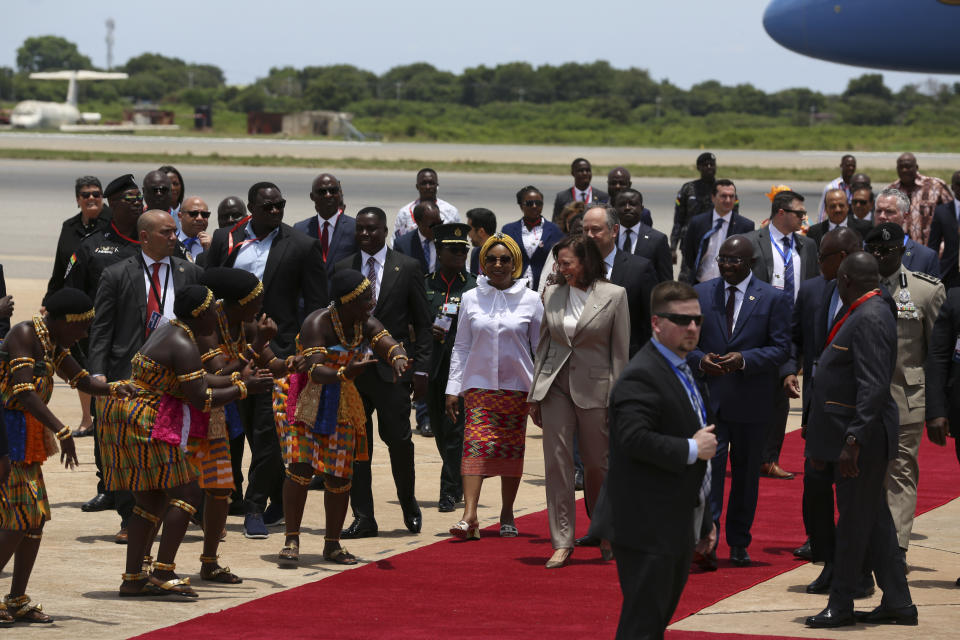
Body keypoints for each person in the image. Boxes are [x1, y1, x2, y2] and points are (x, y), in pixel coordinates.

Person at [99, 285, 272, 598]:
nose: (216, 316)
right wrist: (245, 389)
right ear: (198, 315)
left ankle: (133, 578)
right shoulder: (183, 341)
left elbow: (201, 379)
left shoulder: (176, 333)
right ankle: (163, 572)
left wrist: (239, 379)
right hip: (145, 419)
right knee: (187, 491)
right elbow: (202, 398)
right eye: (211, 311)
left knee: (152, 500)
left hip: (135, 415)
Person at [588, 280, 718, 639]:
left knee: (654, 622)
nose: (692, 327)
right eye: (681, 320)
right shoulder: (642, 375)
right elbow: (633, 439)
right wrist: (691, 449)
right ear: (657, 323)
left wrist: (703, 518)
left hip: (675, 520)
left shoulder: (681, 365)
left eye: (697, 320)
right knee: (642, 624)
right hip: (646, 525)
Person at [203, 181, 328, 539]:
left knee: (268, 432)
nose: (275, 212)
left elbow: (317, 304)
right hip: (228, 351)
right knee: (230, 428)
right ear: (251, 208)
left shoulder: (302, 246)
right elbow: (209, 292)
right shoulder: (226, 239)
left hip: (277, 351)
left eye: (280, 205)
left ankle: (256, 508)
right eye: (268, 206)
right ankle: (231, 497)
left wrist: (303, 352)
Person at [0, 288, 130, 623]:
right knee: (17, 519)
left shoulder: (54, 343)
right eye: (82, 325)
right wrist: (62, 429)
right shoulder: (24, 335)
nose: (85, 333)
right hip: (5, 435)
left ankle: (17, 599)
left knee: (36, 518)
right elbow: (24, 391)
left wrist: (117, 387)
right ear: (62, 321)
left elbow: (81, 379)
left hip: (24, 438)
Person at [804, 252, 916, 628]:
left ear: (848, 279)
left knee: (852, 523)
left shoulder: (868, 318)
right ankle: (900, 603)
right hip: (855, 434)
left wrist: (853, 440)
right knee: (877, 520)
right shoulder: (866, 310)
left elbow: (873, 386)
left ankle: (842, 603)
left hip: (860, 440)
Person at [275, 269, 410, 564]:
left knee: (339, 473)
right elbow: (313, 370)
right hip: (304, 398)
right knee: (301, 468)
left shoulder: (365, 323)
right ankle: (291, 539)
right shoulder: (317, 323)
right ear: (347, 301)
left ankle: (332, 545)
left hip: (340, 401)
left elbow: (387, 341)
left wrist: (398, 357)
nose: (371, 304)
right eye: (365, 300)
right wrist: (343, 372)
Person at [87, 209, 205, 543]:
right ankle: (130, 518)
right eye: (166, 232)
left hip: (175, 379)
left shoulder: (190, 272)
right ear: (144, 237)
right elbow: (102, 330)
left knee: (171, 449)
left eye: (173, 232)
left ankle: (173, 514)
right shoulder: (116, 275)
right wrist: (98, 375)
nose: (173, 237)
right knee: (131, 452)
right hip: (130, 379)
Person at [785, 228, 877, 597]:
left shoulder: (874, 298)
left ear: (841, 260)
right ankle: (829, 561)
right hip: (817, 416)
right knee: (815, 495)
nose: (817, 262)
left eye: (822, 256)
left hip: (855, 417)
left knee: (854, 502)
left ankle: (858, 572)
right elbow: (795, 339)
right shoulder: (811, 291)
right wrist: (789, 369)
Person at [690, 235, 791, 567]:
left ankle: (739, 542)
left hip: (753, 403)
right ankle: (709, 540)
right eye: (723, 259)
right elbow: (685, 342)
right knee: (710, 475)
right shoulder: (702, 293)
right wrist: (700, 359)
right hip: (712, 403)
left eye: (735, 260)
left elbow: (780, 349)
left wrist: (744, 359)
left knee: (746, 477)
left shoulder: (773, 298)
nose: (728, 266)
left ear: (751, 264)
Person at [528, 235, 629, 568]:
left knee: (597, 464)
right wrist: (535, 393)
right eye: (559, 263)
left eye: (567, 262)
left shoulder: (614, 295)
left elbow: (619, 353)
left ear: (585, 261)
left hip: (596, 390)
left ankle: (605, 530)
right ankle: (562, 540)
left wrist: (620, 399)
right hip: (555, 386)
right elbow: (543, 345)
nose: (561, 268)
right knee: (557, 465)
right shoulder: (553, 293)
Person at [335, 207, 431, 539]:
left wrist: (420, 371)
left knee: (400, 441)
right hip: (354, 375)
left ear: (386, 230)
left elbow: (422, 323)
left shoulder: (407, 267)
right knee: (357, 448)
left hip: (393, 373)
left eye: (372, 229)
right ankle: (364, 517)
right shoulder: (342, 269)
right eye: (360, 229)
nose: (365, 234)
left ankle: (408, 503)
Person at [445, 234, 542, 540]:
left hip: (517, 389)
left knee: (511, 450)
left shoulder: (532, 299)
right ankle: (470, 515)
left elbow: (540, 350)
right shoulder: (472, 297)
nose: (498, 265)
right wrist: (453, 388)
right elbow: (461, 346)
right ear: (482, 263)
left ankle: (507, 512)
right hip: (479, 386)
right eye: (491, 259)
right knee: (475, 446)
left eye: (505, 260)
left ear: (516, 263)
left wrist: (539, 393)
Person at [194, 267, 284, 583]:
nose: (260, 308)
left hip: (223, 408)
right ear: (237, 303)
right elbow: (219, 370)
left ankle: (210, 561)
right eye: (255, 302)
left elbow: (274, 364)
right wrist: (257, 343)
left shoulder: (245, 323)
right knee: (185, 486)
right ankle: (155, 565)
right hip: (194, 409)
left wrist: (300, 362)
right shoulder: (207, 323)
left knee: (222, 484)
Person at [864, 223, 945, 564]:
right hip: (866, 399)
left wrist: (937, 407)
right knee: (869, 474)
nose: (882, 257)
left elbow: (937, 352)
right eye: (876, 251)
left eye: (890, 251)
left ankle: (895, 548)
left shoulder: (925, 291)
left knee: (900, 470)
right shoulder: (856, 285)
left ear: (902, 250)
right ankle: (868, 540)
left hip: (906, 395)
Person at [746, 190, 819, 480]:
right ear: (780, 213)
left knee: (782, 395)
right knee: (760, 395)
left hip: (795, 329)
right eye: (799, 213)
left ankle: (768, 458)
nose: (803, 218)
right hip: (761, 329)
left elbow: (813, 285)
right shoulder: (754, 242)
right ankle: (753, 454)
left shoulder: (808, 245)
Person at [45, 175, 112, 439]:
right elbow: (60, 267)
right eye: (86, 195)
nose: (92, 198)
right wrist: (49, 301)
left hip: (103, 304)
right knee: (79, 361)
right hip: (74, 310)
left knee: (102, 363)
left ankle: (106, 417)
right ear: (77, 199)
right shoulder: (69, 227)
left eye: (96, 194)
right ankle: (88, 419)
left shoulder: (111, 224)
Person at [424, 224, 477, 512]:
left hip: (463, 370)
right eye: (453, 250)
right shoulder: (425, 284)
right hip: (434, 368)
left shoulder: (474, 286)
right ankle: (456, 481)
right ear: (439, 251)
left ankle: (448, 491)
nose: (459, 254)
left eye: (463, 250)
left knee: (456, 431)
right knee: (442, 433)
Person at [582, 205, 658, 355]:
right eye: (585, 230)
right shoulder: (574, 267)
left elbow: (651, 324)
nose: (589, 235)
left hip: (624, 360)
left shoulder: (640, 269)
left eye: (596, 229)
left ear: (614, 231)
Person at [673, 152, 738, 271]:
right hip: (691, 242)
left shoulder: (725, 190)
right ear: (698, 167)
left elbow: (735, 219)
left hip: (718, 242)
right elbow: (678, 220)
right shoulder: (688, 189)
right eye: (705, 165)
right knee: (688, 281)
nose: (709, 167)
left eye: (712, 164)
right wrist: (672, 248)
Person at [682, 179, 754, 285]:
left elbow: (748, 259)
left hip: (731, 286)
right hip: (700, 284)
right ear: (713, 198)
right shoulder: (697, 222)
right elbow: (688, 254)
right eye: (723, 196)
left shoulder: (745, 226)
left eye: (731, 196)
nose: (728, 200)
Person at [502, 186, 564, 290]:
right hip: (514, 286)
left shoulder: (555, 230)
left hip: (544, 286)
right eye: (529, 203)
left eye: (538, 203)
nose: (534, 206)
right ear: (521, 206)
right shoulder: (508, 230)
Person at [885, 152, 952, 245]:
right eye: (901, 167)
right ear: (897, 169)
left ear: (916, 167)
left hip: (931, 250)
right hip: (901, 252)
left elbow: (951, 217)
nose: (904, 170)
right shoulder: (891, 191)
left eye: (908, 166)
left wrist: (944, 246)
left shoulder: (935, 186)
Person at [293, 173, 356, 271]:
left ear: (339, 194)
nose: (328, 195)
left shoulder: (355, 227)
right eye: (322, 191)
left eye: (333, 191)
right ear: (312, 196)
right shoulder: (300, 229)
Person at [874, 188, 940, 278]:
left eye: (889, 211)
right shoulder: (862, 250)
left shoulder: (926, 257)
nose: (882, 216)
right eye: (878, 211)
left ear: (905, 217)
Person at [614, 188, 671, 283]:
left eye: (632, 204)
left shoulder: (658, 239)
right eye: (622, 204)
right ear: (614, 209)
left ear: (642, 208)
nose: (627, 207)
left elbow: (666, 280)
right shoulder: (607, 236)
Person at [394, 168, 460, 239]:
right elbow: (396, 241)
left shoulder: (451, 211)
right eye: (423, 183)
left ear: (437, 186)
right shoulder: (405, 213)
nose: (427, 187)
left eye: (431, 183)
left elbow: (459, 238)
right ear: (417, 186)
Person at [926, 170, 960, 289]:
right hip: (949, 271)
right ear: (952, 187)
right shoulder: (942, 211)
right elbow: (933, 244)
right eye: (959, 183)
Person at [807, 188, 872, 246]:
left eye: (841, 205)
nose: (837, 210)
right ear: (826, 209)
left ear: (847, 207)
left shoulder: (865, 229)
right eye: (833, 206)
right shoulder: (814, 232)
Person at [552, 158, 609, 223]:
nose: (585, 173)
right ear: (573, 173)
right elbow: (555, 222)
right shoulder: (562, 197)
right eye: (581, 171)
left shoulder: (602, 196)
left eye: (588, 170)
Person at [394, 201, 442, 276]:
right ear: (418, 223)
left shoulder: (447, 241)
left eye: (440, 223)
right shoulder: (402, 245)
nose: (437, 228)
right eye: (432, 225)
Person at [817, 155, 857, 222]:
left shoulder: (857, 186)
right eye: (848, 165)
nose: (851, 168)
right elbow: (823, 212)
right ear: (841, 166)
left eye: (853, 166)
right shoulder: (832, 187)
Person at [177, 196, 212, 263]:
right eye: (193, 214)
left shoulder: (213, 246)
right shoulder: (170, 242)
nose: (200, 218)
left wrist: (210, 251)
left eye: (204, 214)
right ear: (180, 216)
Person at [465, 207, 496, 276]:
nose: (468, 234)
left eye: (470, 229)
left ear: (481, 232)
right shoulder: (475, 252)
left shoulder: (503, 255)